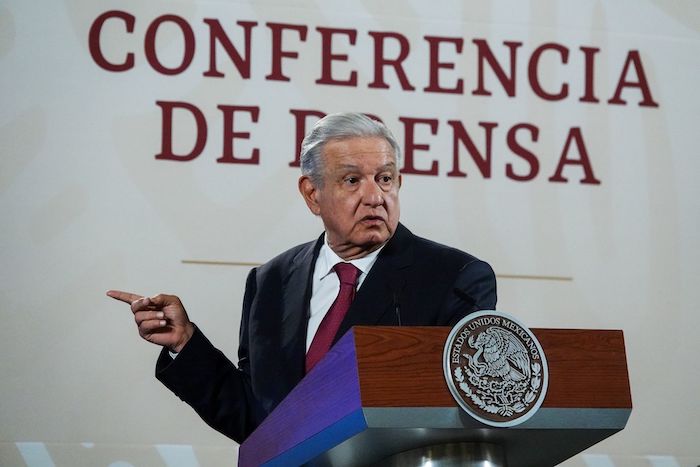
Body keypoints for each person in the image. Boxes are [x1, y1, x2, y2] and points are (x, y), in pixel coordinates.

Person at [107, 112, 496, 443]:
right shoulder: (271, 281)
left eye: (385, 178)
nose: (375, 196)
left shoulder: (454, 278)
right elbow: (258, 420)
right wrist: (186, 343)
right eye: (351, 180)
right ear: (312, 194)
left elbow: (455, 416)